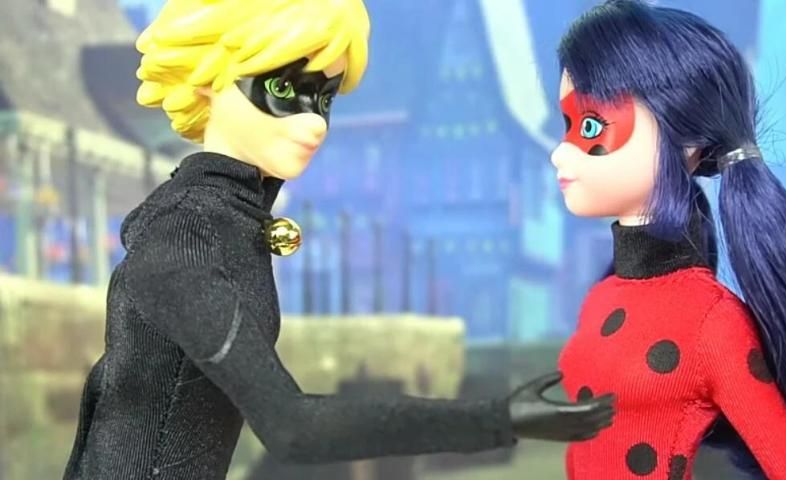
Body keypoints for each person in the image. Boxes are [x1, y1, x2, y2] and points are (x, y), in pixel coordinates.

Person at [62, 1, 614, 479]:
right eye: (282, 89)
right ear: (208, 81)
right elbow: (292, 427)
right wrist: (497, 419)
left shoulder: (227, 223)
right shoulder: (185, 235)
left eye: (322, 98)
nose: (315, 124)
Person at [552, 1, 786, 479]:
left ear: (688, 143)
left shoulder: (712, 323)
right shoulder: (601, 299)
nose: (559, 153)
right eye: (568, 126)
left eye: (591, 126)